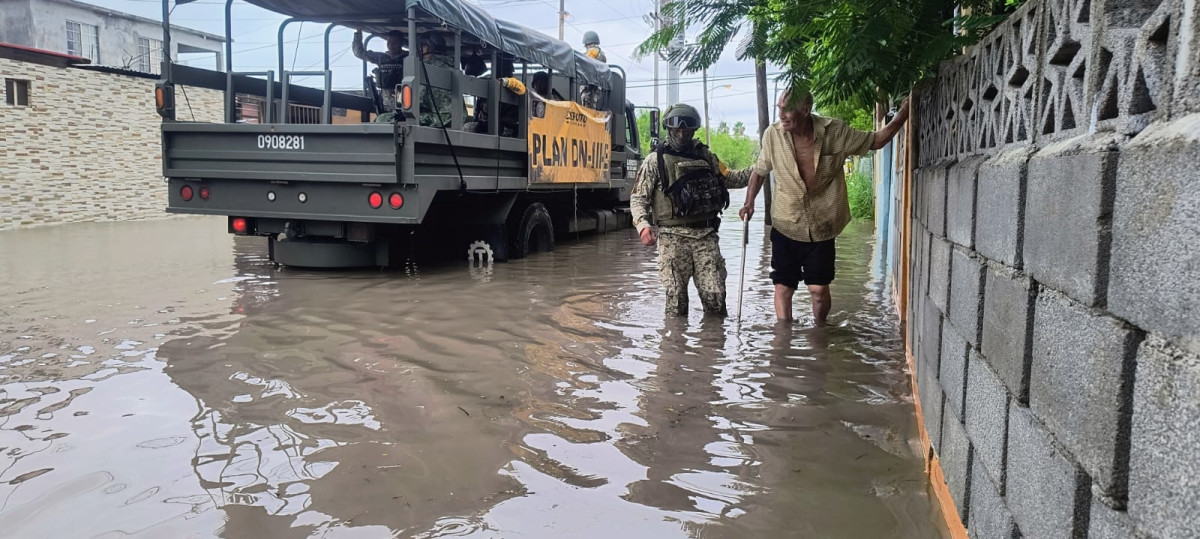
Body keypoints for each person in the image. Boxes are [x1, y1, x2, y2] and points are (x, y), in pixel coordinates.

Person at [739, 89, 910, 325]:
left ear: (806, 110)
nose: (782, 115)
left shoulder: (835, 131)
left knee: (818, 290)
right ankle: (783, 338)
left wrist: (903, 113)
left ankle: (820, 330)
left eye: (787, 109)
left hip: (822, 223)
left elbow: (876, 140)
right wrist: (749, 203)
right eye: (779, 108)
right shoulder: (772, 135)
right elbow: (759, 171)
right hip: (786, 221)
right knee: (783, 287)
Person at [631, 103, 753, 316]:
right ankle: (674, 347)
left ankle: (713, 346)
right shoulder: (654, 161)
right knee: (676, 304)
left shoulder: (706, 156)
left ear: (693, 130)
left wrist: (762, 166)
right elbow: (638, 198)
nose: (682, 133)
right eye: (677, 128)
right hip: (672, 241)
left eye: (687, 129)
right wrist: (643, 225)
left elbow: (731, 178)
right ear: (669, 128)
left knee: (715, 298)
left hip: (706, 238)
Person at [352, 30, 407, 122]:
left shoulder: (408, 57)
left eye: (395, 42)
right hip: (384, 102)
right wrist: (358, 32)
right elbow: (359, 53)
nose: (391, 45)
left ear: (401, 43)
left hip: (402, 99)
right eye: (389, 42)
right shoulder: (381, 57)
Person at [463, 59, 522, 137]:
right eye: (507, 71)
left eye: (509, 72)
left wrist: (500, 119)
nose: (510, 74)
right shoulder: (488, 86)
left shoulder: (515, 89)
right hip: (486, 125)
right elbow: (478, 111)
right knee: (467, 127)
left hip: (506, 127)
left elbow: (516, 117)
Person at [416, 32, 455, 127]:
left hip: (438, 117)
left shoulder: (427, 66)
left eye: (423, 46)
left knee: (385, 118)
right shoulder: (451, 65)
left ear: (431, 47)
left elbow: (417, 99)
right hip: (454, 116)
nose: (420, 49)